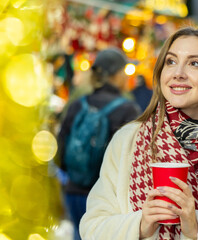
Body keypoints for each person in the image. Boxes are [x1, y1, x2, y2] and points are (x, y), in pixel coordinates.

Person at [80, 27, 198, 240]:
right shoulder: (128, 140)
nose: (178, 73)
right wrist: (141, 225)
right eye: (171, 62)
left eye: (195, 63)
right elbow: (93, 227)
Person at [56, 47, 141, 240]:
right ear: (118, 74)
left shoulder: (78, 103)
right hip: (105, 197)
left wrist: (75, 175)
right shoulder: (128, 109)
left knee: (80, 234)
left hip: (73, 191)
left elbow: (60, 146)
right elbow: (131, 159)